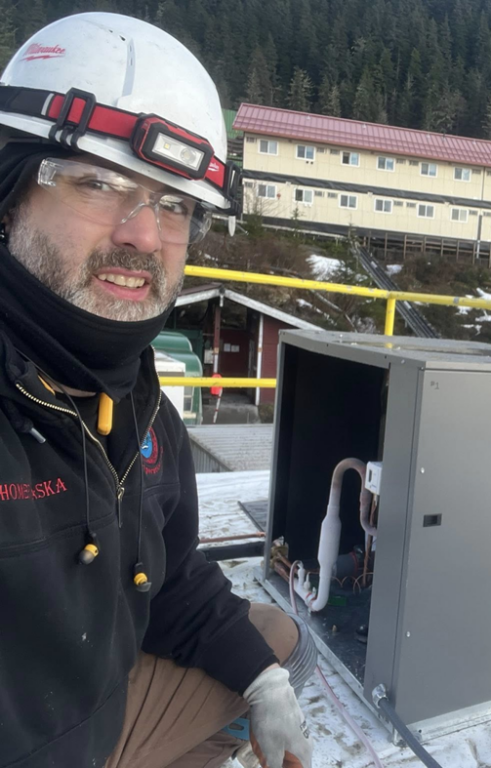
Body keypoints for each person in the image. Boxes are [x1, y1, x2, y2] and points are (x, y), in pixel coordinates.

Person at [0, 13, 314, 768]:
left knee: (279, 646)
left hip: (92, 714)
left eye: (173, 203)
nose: (143, 235)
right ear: (10, 197)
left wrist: (265, 685)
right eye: (99, 183)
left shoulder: (140, 407)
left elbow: (167, 583)